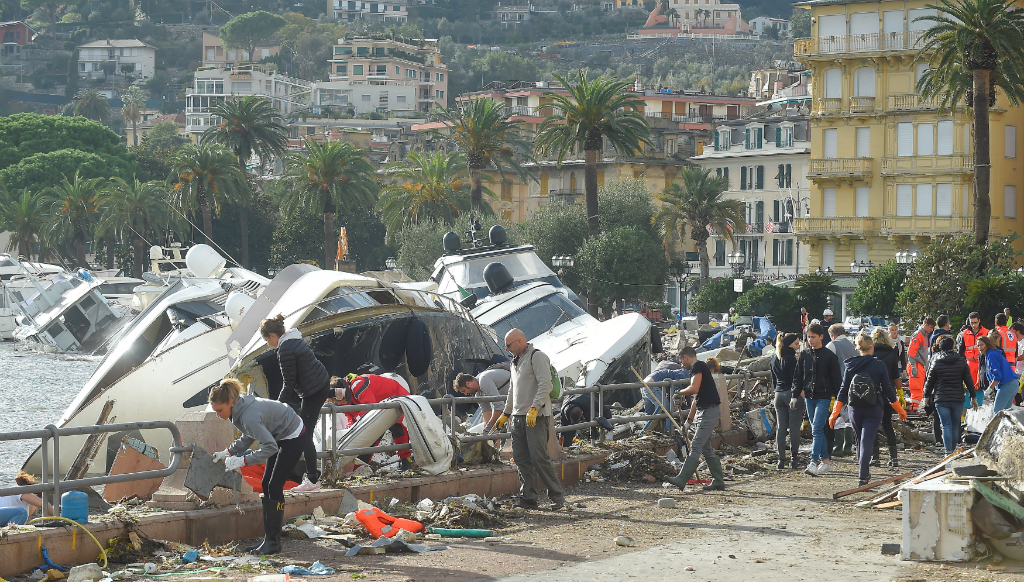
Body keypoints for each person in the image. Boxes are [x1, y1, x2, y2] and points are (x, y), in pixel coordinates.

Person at [211, 378, 304, 555]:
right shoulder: (239, 408)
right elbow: (249, 435)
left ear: (230, 402)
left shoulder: (247, 414)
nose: (218, 415)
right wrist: (228, 452)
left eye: (220, 410)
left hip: (293, 435)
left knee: (274, 486)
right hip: (279, 434)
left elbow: (270, 447)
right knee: (266, 484)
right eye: (215, 411)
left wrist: (242, 460)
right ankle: (269, 539)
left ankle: (273, 542)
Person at [493, 329, 565, 510]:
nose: (507, 348)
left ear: (519, 341)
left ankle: (557, 497)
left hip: (536, 416)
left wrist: (535, 407)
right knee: (520, 457)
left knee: (538, 456)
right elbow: (512, 390)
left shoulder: (537, 357)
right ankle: (528, 497)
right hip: (518, 416)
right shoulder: (515, 362)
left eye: (509, 345)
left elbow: (545, 384)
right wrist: (506, 413)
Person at [261, 315, 331, 493]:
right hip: (320, 384)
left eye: (266, 340)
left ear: (272, 335)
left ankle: (313, 481)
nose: (268, 344)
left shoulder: (285, 349)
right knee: (304, 433)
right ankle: (312, 478)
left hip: (313, 392)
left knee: (304, 436)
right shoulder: (294, 338)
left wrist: (277, 408)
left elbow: (289, 384)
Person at [830, 333, 907, 486]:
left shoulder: (850, 365)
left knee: (859, 441)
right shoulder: (878, 365)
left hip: (854, 408)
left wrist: (835, 413)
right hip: (874, 408)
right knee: (867, 441)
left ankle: (863, 475)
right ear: (871, 347)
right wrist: (900, 410)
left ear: (858, 349)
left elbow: (843, 390)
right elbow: (889, 392)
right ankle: (863, 476)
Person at [664, 347, 726, 491]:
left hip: (709, 411)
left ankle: (681, 479)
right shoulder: (700, 368)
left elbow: (694, 388)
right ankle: (718, 481)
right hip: (705, 411)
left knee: (697, 444)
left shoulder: (697, 365)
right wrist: (689, 421)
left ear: (686, 357)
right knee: (705, 448)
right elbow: (695, 399)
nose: (681, 365)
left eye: (681, 361)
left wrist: (678, 392)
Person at [330, 374, 414, 469]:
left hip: (395, 395)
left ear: (343, 390)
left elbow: (369, 409)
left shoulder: (357, 384)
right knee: (370, 437)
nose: (339, 402)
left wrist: (353, 423)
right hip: (380, 405)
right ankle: (358, 469)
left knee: (397, 429)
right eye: (335, 401)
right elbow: (353, 419)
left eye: (339, 397)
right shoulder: (345, 402)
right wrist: (349, 429)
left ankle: (407, 463)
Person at [795, 322, 842, 476]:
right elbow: (799, 375)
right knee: (818, 429)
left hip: (824, 396)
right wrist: (797, 393)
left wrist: (838, 399)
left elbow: (836, 378)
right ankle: (826, 461)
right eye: (808, 337)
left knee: (816, 428)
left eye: (813, 337)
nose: (810, 340)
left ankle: (814, 461)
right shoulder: (804, 354)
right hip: (809, 395)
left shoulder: (829, 356)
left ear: (822, 337)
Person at [921, 335, 976, 455]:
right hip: (957, 397)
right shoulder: (962, 361)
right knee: (955, 424)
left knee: (946, 425)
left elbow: (930, 381)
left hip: (941, 398)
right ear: (953, 346)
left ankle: (948, 452)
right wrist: (973, 396)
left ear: (940, 348)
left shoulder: (936, 361)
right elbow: (968, 380)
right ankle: (953, 452)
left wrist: (926, 396)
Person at [870, 327, 903, 467]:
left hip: (871, 394)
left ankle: (875, 457)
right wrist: (900, 394)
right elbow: (896, 377)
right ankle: (893, 458)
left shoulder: (869, 354)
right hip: (888, 393)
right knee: (887, 425)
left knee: (873, 426)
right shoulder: (892, 354)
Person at [771, 333, 802, 470]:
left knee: (781, 427)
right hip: (790, 393)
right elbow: (796, 380)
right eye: (796, 344)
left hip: (778, 394)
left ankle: (780, 460)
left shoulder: (774, 358)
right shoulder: (791, 359)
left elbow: (772, 380)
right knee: (794, 427)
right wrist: (797, 396)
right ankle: (794, 459)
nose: (798, 346)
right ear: (789, 344)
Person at [643, 355, 690, 433]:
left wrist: (688, 403)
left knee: (650, 414)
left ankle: (645, 433)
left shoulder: (682, 373)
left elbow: (687, 391)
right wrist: (675, 406)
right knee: (667, 409)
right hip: (652, 386)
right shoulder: (684, 375)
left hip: (645, 383)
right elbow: (675, 393)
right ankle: (670, 431)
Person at [979, 335, 1020, 413]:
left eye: (982, 345)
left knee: (997, 412)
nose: (979, 347)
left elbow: (998, 376)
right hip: (1012, 384)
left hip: (1007, 384)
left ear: (987, 345)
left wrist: (989, 390)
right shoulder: (989, 355)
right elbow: (992, 376)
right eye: (978, 345)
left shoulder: (991, 355)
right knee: (1004, 414)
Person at [907, 317, 936, 410]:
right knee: (916, 389)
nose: (932, 330)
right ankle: (913, 408)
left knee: (918, 389)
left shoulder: (924, 336)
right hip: (916, 364)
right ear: (925, 325)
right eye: (931, 327)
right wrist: (913, 366)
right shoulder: (918, 335)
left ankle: (913, 408)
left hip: (919, 365)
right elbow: (911, 352)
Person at [956, 312, 989, 395]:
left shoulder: (986, 333)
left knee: (982, 386)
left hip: (982, 363)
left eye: (975, 322)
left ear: (979, 321)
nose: (973, 325)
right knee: (969, 386)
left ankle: (981, 404)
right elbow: (961, 351)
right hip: (969, 363)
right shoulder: (964, 334)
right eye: (971, 323)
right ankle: (970, 404)